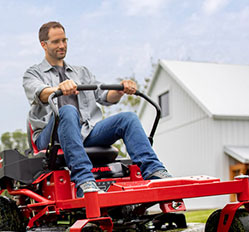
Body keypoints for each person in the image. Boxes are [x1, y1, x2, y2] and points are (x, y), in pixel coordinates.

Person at [23, 21, 171, 197]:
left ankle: (154, 171)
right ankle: (84, 180)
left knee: (128, 118)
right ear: (44, 45)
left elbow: (105, 96)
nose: (62, 45)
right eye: (56, 42)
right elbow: (41, 93)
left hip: (86, 132)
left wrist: (120, 90)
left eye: (64, 40)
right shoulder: (33, 73)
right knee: (68, 110)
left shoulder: (82, 72)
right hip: (50, 138)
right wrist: (59, 89)